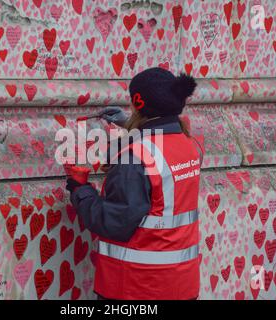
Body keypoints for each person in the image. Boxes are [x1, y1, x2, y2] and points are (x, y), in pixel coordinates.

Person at [66, 67, 203, 300]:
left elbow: (112, 222)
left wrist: (80, 189)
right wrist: (131, 123)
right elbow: (163, 136)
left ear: (138, 104)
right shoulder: (191, 145)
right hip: (182, 284)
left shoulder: (135, 158)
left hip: (137, 287)